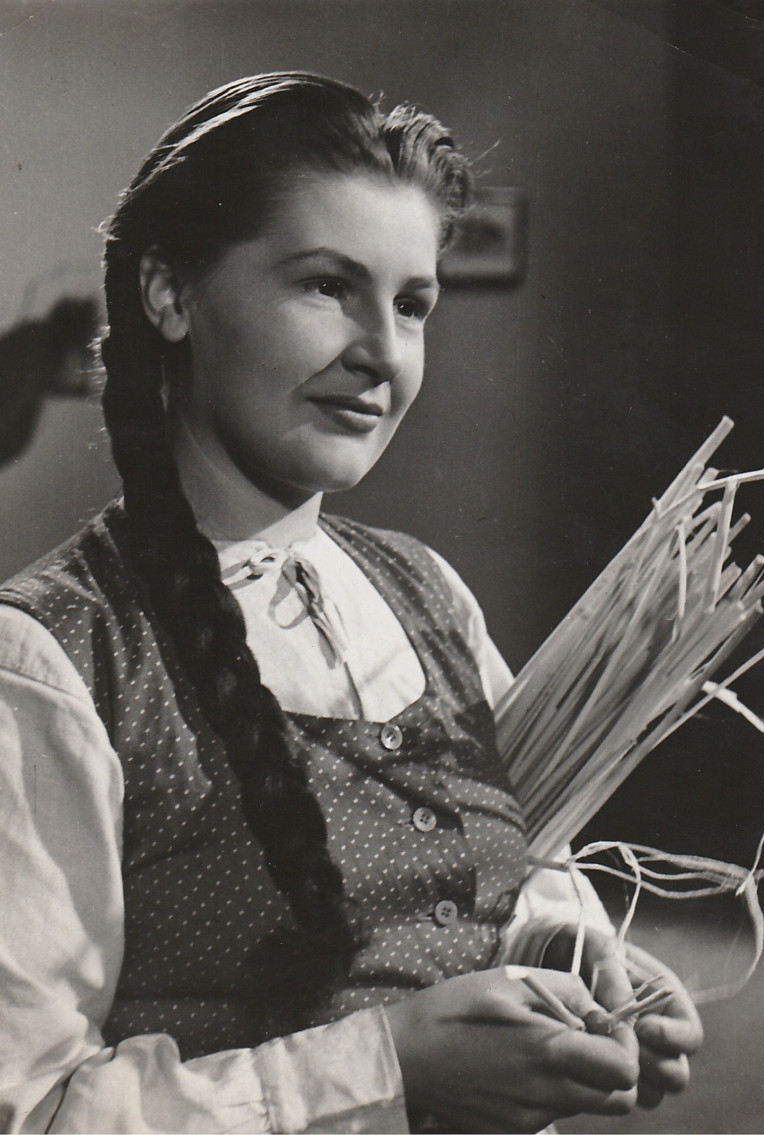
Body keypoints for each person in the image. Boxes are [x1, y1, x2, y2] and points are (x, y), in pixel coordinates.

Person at [0, 73, 702, 1134]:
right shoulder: (52, 659)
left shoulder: (426, 595)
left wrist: (567, 961)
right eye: (328, 285)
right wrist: (390, 1069)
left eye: (412, 304)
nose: (382, 353)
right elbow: (32, 1108)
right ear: (170, 294)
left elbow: (502, 894)